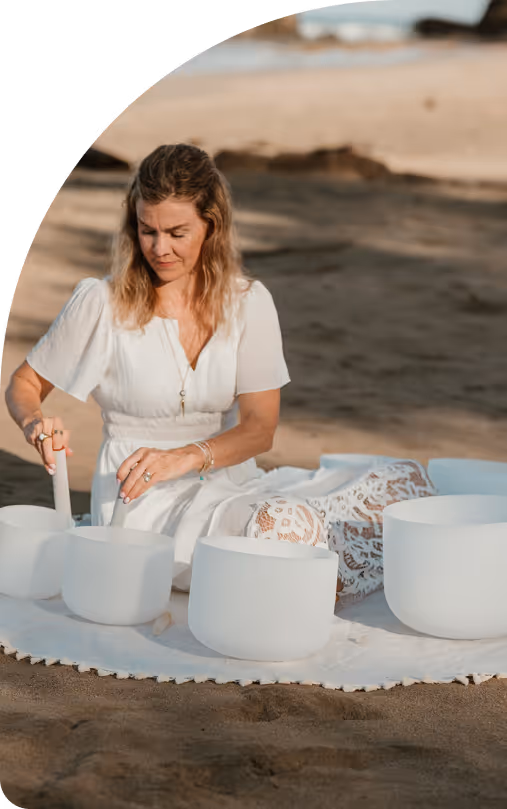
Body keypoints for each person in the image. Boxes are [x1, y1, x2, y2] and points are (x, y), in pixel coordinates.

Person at [5, 143, 294, 589]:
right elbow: (24, 383)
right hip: (137, 497)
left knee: (329, 517)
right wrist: (35, 424)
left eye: (177, 233)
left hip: (230, 480)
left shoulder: (249, 303)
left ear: (210, 226)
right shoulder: (101, 303)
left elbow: (260, 429)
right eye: (147, 230)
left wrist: (185, 457)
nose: (159, 248)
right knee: (268, 547)